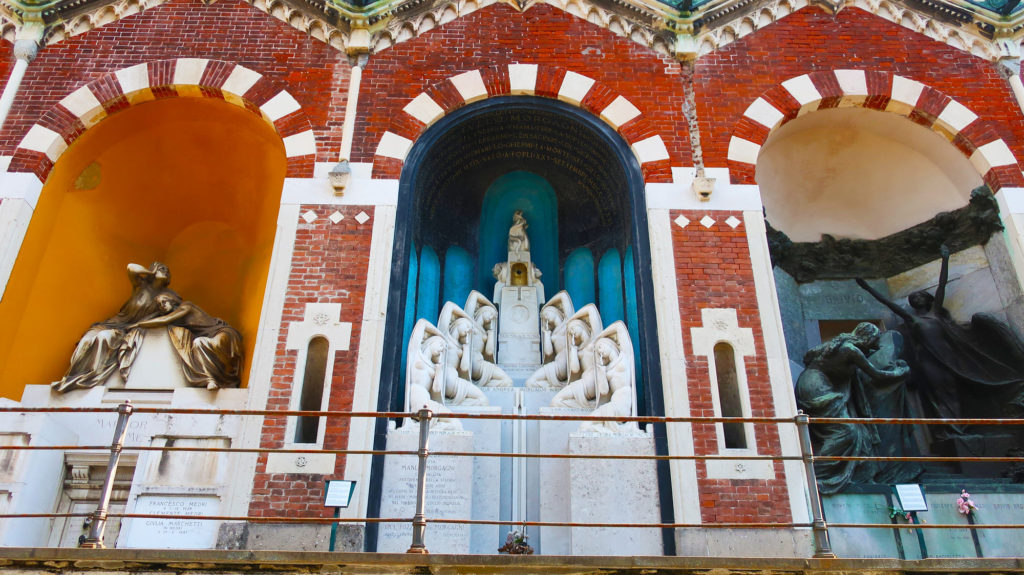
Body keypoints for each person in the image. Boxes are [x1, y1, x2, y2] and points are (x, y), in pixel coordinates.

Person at [856, 245, 1024, 436]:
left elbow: (942, 284)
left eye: (919, 296)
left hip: (952, 360)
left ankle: (963, 427)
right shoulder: (912, 319)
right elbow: (888, 303)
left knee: (956, 391)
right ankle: (950, 431)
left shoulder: (935, 313)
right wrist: (867, 287)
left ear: (927, 299)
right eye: (912, 298)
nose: (916, 299)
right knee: (940, 393)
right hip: (930, 362)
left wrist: (945, 259)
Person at [795, 323, 916, 493]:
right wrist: (902, 372)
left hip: (808, 382)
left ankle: (824, 471)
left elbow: (808, 357)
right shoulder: (851, 350)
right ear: (868, 338)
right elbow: (877, 374)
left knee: (854, 431)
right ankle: (816, 472)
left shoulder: (835, 344)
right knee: (845, 432)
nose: (874, 345)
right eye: (874, 341)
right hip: (819, 388)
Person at [55, 262, 176, 392]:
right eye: (162, 268)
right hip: (111, 324)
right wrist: (151, 273)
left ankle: (88, 379)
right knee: (86, 341)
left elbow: (172, 313)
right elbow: (131, 267)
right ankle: (73, 379)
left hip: (125, 330)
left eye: (167, 271)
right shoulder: (141, 286)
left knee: (103, 338)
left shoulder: (170, 296)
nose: (166, 272)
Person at [132, 293, 242, 389]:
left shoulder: (186, 306)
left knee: (216, 345)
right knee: (198, 343)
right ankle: (210, 379)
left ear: (172, 300)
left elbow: (164, 319)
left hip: (221, 332)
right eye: (159, 305)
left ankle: (225, 377)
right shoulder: (176, 320)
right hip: (206, 339)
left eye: (164, 302)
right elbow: (159, 319)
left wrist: (137, 324)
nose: (162, 306)